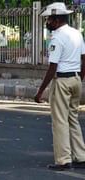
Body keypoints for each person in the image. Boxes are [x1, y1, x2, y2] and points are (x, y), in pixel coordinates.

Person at [35, 2, 85, 171]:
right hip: (76, 80)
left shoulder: (57, 37)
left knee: (60, 121)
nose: (47, 22)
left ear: (56, 20)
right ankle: (80, 156)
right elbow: (84, 59)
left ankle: (63, 160)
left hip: (62, 82)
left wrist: (40, 91)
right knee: (73, 119)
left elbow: (52, 67)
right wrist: (79, 78)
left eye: (48, 19)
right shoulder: (77, 33)